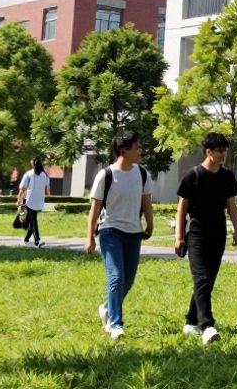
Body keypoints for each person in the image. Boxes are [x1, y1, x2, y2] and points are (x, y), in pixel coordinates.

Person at [175, 132, 237, 345]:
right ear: (208, 152)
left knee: (207, 281)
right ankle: (207, 326)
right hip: (196, 234)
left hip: (218, 233)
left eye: (225, 151)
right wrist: (179, 237)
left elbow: (231, 205)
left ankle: (191, 320)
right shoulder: (193, 175)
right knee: (202, 278)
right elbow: (182, 208)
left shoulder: (227, 176)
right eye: (219, 151)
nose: (223, 155)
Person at [86, 131, 154, 340]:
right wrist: (89, 237)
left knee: (128, 280)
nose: (140, 151)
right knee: (116, 277)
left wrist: (150, 223)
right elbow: (95, 209)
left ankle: (107, 308)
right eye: (136, 147)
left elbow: (146, 203)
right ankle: (115, 324)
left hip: (134, 233)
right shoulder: (106, 175)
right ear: (123, 150)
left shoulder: (142, 174)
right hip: (110, 231)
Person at [18, 156, 51, 247]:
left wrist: (19, 200)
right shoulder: (45, 175)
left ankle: (37, 240)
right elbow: (47, 192)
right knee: (32, 219)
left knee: (33, 220)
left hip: (29, 200)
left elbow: (22, 188)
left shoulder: (29, 174)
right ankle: (26, 239)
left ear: (33, 164)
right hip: (39, 201)